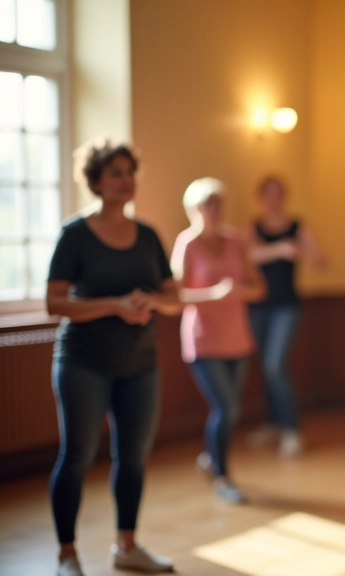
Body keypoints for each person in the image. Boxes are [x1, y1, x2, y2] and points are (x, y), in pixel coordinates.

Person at [46, 139, 178, 576]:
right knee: (78, 454)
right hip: (83, 362)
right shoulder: (75, 235)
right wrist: (114, 305)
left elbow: (172, 299)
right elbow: (55, 303)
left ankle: (127, 546)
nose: (126, 180)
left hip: (140, 364)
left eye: (130, 172)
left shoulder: (149, 235)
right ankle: (67, 554)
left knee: (134, 456)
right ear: (97, 182)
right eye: (116, 173)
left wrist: (148, 303)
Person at [172, 177, 266, 505]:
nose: (212, 210)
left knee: (230, 409)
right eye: (205, 204)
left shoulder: (235, 240)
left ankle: (212, 459)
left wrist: (241, 292)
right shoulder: (187, 243)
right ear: (193, 208)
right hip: (203, 340)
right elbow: (176, 296)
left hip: (236, 337)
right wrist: (213, 294)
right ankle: (222, 475)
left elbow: (259, 287)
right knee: (226, 406)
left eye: (217, 204)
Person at [244, 176, 326, 458]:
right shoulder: (252, 227)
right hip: (256, 307)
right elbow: (246, 256)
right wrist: (280, 249)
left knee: (275, 366)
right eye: (269, 193)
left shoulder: (297, 226)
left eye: (279, 193)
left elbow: (321, 260)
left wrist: (304, 250)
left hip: (286, 307)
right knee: (265, 369)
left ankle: (292, 428)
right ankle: (274, 424)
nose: (274, 199)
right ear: (261, 197)